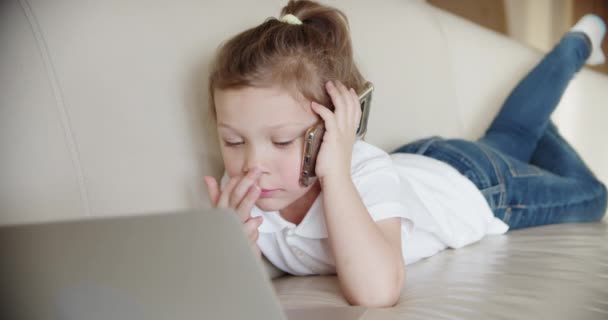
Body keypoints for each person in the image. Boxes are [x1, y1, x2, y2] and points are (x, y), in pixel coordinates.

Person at [203, 0, 607, 307]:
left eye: (283, 141)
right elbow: (241, 296)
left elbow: (378, 291)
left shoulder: (357, 172)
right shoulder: (240, 190)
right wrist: (239, 245)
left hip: (480, 187)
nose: (252, 164)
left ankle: (576, 45)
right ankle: (556, 88)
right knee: (511, 133)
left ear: (335, 129)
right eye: (233, 141)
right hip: (419, 162)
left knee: (593, 196)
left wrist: (336, 174)